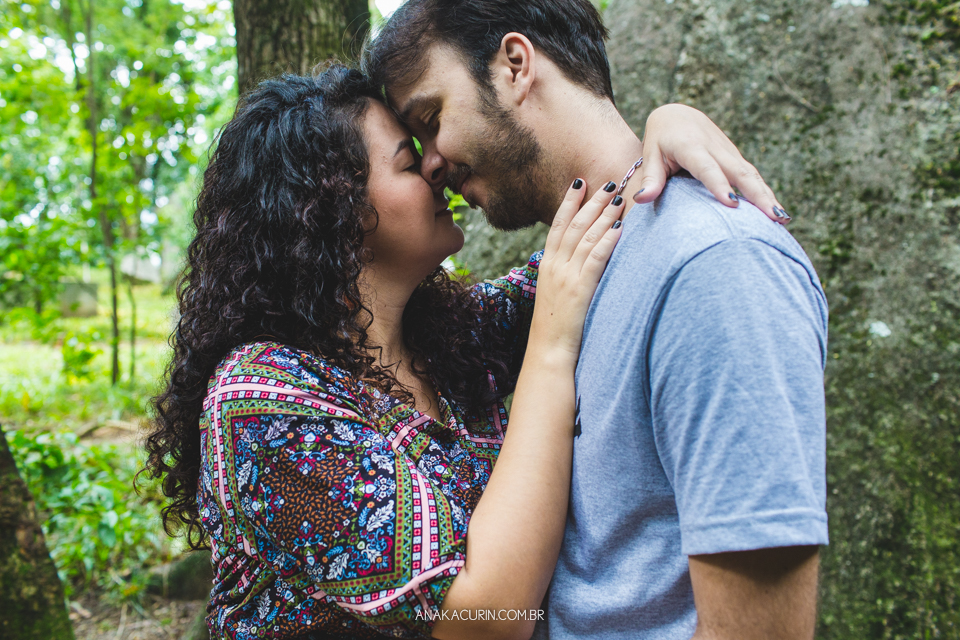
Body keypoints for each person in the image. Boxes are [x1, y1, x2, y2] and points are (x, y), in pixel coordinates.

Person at [142, 65, 792, 640]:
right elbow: (484, 620)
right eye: (407, 158)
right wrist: (550, 351)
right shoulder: (262, 403)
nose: (435, 166)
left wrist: (669, 125)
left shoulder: (451, 338)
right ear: (332, 207)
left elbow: (603, 219)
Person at [365, 1, 829, 639]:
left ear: (515, 66)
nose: (431, 163)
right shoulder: (573, 272)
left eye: (432, 118)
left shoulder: (715, 267)